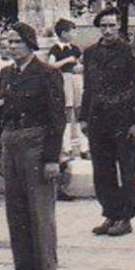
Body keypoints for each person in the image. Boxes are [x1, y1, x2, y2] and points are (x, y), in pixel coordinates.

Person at [0, 24, 67, 270]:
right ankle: (25, 266)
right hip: (11, 143)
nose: (11, 47)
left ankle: (46, 268)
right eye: (8, 43)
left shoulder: (47, 74)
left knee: (39, 208)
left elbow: (57, 119)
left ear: (30, 44)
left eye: (16, 42)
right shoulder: (5, 74)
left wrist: (51, 158)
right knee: (16, 208)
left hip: (36, 145)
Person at [78, 6, 135, 238]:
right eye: (103, 26)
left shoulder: (131, 52)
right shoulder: (90, 53)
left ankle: (125, 217)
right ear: (98, 28)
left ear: (118, 26)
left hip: (123, 119)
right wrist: (83, 117)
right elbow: (88, 87)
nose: (108, 30)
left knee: (126, 170)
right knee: (102, 170)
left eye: (111, 25)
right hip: (98, 119)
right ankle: (110, 212)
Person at [48, 18, 85, 162]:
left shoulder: (74, 48)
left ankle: (84, 148)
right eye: (71, 31)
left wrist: (80, 67)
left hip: (76, 79)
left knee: (80, 111)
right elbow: (51, 66)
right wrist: (66, 61)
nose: (73, 34)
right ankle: (67, 149)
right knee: (67, 112)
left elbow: (82, 63)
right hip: (64, 80)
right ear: (63, 33)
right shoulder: (56, 49)